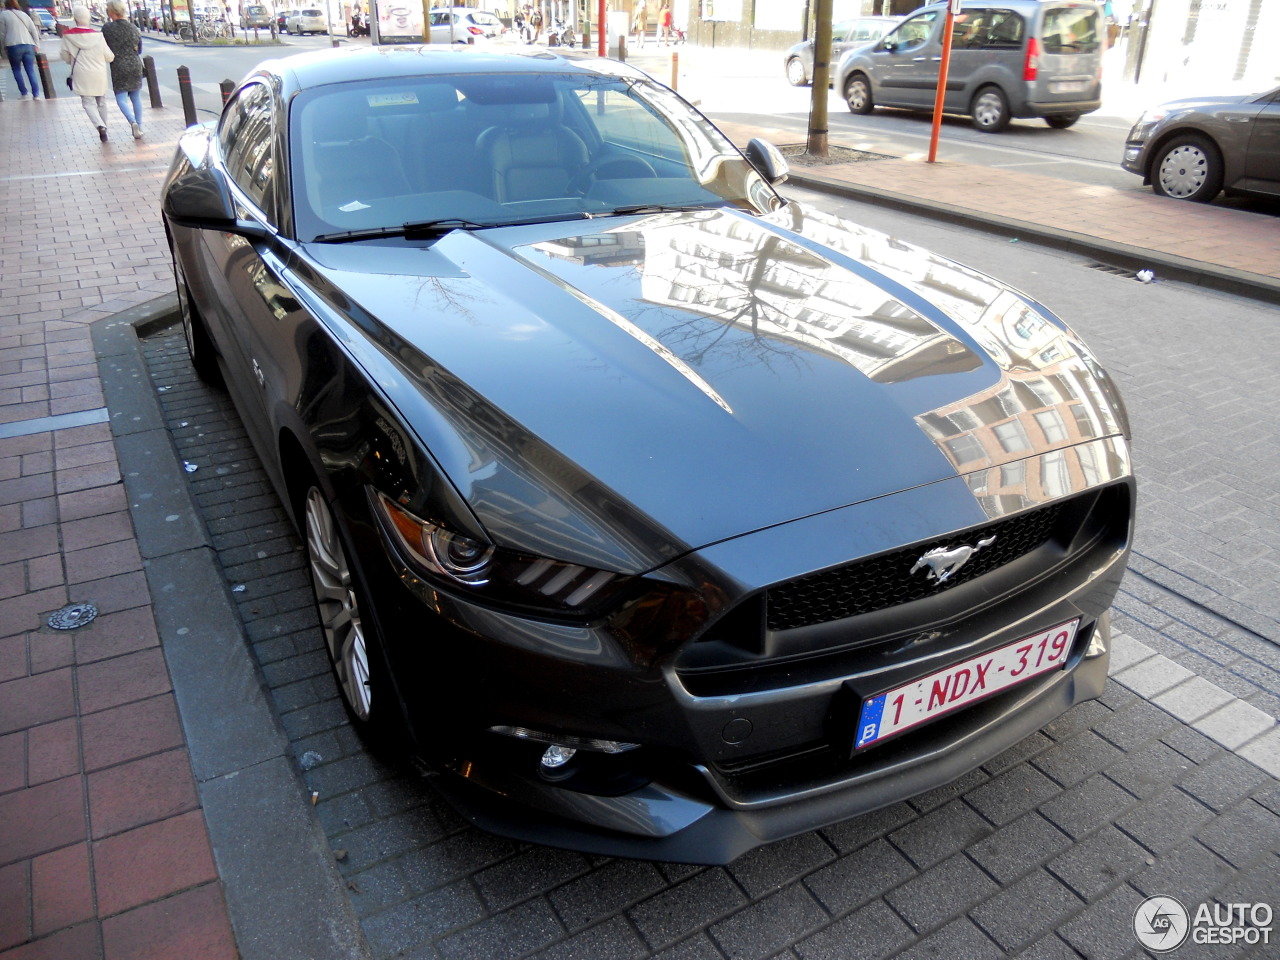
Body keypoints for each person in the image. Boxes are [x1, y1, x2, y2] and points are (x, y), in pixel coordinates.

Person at [60, 5, 114, 142]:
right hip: (99, 72)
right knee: (101, 101)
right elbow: (109, 57)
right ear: (88, 18)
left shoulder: (68, 37)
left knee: (88, 102)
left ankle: (99, 125)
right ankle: (105, 126)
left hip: (81, 72)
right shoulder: (98, 36)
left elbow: (65, 57)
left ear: (76, 19)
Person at [102, 0, 144, 138]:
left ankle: (132, 122)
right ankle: (140, 126)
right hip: (135, 64)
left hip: (118, 65)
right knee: (136, 97)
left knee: (121, 98)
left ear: (112, 12)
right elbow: (140, 48)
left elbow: (103, 46)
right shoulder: (133, 28)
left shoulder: (107, 29)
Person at [1, 0, 42, 101]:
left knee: (16, 69)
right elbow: (33, 30)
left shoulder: (3, 15)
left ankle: (24, 93)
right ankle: (36, 94)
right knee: (30, 70)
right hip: (28, 45)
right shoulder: (24, 14)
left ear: (6, 5)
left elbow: (1, 34)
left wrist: (3, 48)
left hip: (13, 45)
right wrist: (37, 44)